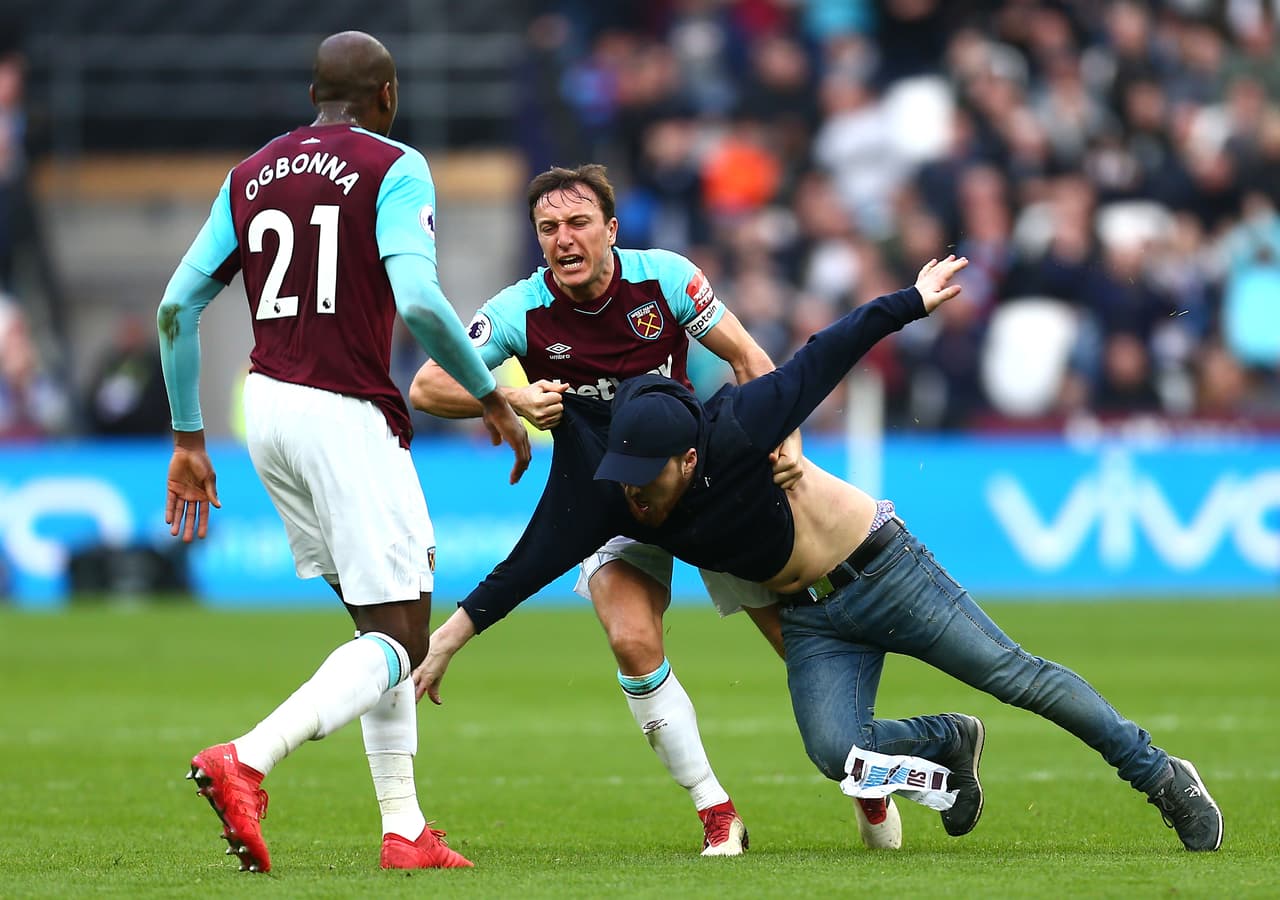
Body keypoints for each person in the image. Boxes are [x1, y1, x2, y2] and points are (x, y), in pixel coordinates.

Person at [419, 255, 1224, 853]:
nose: (632, 496)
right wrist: (447, 641)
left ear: (690, 459)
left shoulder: (739, 426)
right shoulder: (609, 491)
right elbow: (525, 567)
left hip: (883, 570)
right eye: (623, 480)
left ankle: (1159, 774)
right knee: (840, 755)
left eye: (646, 480)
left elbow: (826, 351)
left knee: (1018, 676)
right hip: (813, 621)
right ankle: (948, 741)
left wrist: (911, 299)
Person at [156, 31, 531, 874]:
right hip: (343, 411)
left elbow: (177, 307)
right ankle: (247, 759)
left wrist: (188, 433)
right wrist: (491, 393)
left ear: (313, 93)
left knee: (377, 623)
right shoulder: (394, 164)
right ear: (387, 95)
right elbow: (423, 302)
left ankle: (405, 829)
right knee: (402, 633)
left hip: (270, 410)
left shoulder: (249, 174)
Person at [409, 163, 817, 855]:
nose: (562, 240)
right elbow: (426, 385)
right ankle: (716, 810)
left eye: (576, 224)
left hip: (698, 488)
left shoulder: (665, 279)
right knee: (631, 640)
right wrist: (506, 397)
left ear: (611, 230)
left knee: (799, 645)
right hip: (606, 500)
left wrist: (790, 446)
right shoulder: (521, 309)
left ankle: (862, 777)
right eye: (547, 228)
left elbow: (751, 359)